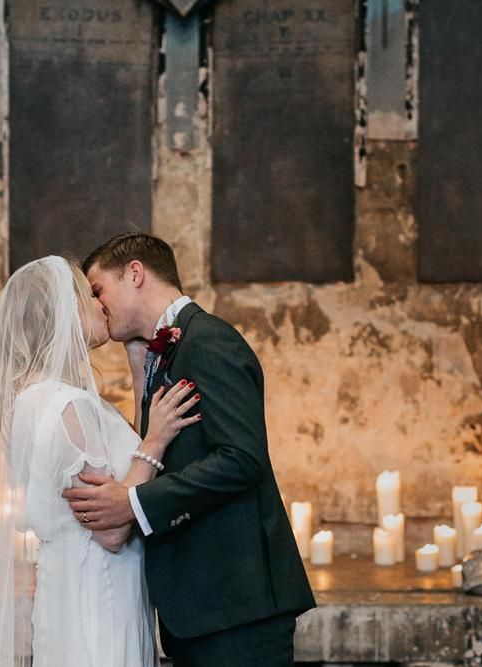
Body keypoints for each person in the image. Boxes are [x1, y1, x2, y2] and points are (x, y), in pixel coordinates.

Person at [63, 234, 316, 667]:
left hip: (237, 608)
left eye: (99, 289)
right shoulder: (163, 352)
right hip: (198, 609)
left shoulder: (209, 341)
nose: (97, 305)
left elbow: (242, 458)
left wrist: (134, 504)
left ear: (136, 274)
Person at [0, 255, 200, 666]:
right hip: (99, 603)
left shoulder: (35, 400)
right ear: (67, 311)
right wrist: (156, 440)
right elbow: (109, 531)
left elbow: (115, 469)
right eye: (90, 295)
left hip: (72, 596)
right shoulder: (66, 406)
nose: (101, 304)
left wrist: (136, 370)